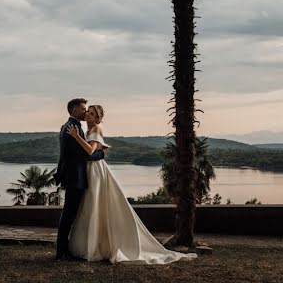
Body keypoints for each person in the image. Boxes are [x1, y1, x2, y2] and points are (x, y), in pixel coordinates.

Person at [66, 104, 197, 265]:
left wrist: (75, 136)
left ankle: (98, 246)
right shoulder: (88, 130)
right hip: (90, 168)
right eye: (88, 112)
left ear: (98, 118)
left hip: (95, 171)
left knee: (95, 201)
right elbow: (97, 150)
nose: (88, 115)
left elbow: (90, 151)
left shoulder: (95, 129)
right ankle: (92, 244)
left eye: (92, 114)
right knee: (91, 204)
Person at [54, 97, 106, 261]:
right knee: (68, 215)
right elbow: (85, 154)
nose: (85, 112)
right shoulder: (72, 127)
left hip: (73, 175)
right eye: (84, 109)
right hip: (74, 177)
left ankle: (63, 250)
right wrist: (101, 153)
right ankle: (62, 252)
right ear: (75, 110)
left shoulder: (70, 126)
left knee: (69, 214)